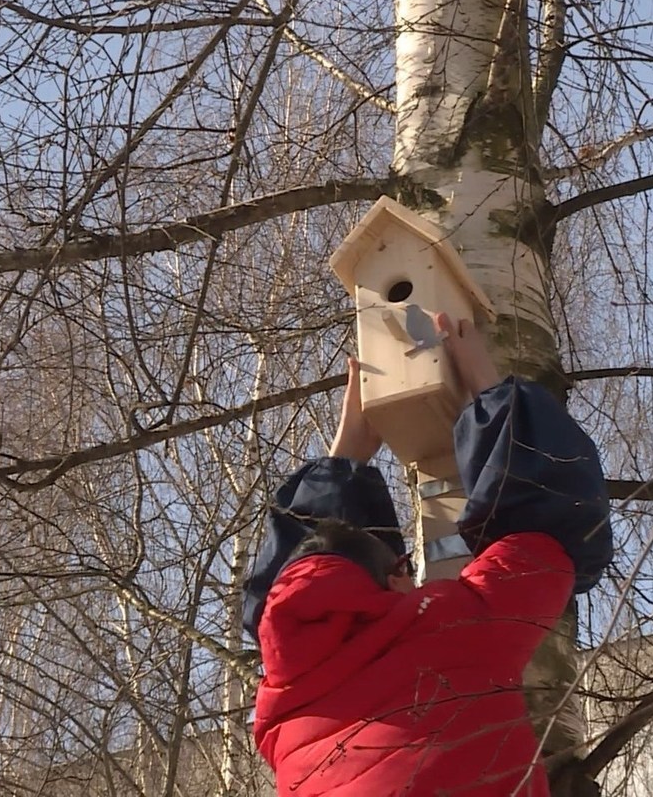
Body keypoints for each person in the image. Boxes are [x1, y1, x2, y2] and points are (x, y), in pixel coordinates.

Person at [242, 313, 614, 796]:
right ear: (394, 579)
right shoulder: (449, 630)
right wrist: (491, 390)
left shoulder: (281, 714)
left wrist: (343, 459)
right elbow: (545, 537)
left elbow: (285, 596)